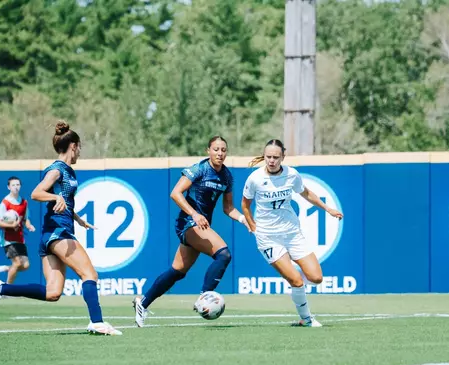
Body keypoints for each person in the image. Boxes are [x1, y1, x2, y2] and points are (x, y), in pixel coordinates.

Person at [0, 121, 121, 336]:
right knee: (89, 275)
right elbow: (37, 193)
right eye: (80, 148)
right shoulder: (58, 170)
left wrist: (77, 218)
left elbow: (62, 200)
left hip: (51, 234)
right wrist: (56, 196)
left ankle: (1, 288)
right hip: (58, 233)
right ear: (73, 146)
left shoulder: (66, 171)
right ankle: (97, 322)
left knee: (53, 292)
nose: (79, 153)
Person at [132, 136, 251, 327]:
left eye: (223, 150)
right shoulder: (200, 169)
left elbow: (228, 208)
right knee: (224, 254)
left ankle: (143, 303)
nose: (220, 153)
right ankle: (204, 297)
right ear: (208, 151)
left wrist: (244, 219)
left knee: (178, 271)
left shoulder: (226, 176)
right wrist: (195, 214)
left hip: (201, 225)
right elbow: (175, 193)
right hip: (188, 222)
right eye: (216, 149)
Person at [241, 139, 344, 327]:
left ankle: (300, 298)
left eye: (275, 157)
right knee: (296, 281)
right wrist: (253, 227)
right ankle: (306, 319)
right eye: (268, 157)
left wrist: (327, 209)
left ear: (283, 158)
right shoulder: (255, 179)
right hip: (268, 238)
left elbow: (306, 193)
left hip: (292, 233)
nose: (271, 161)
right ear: (264, 156)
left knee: (316, 278)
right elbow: (245, 205)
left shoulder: (291, 175)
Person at [0, 176, 36, 283]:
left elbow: (25, 219)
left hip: (19, 237)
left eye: (18, 185)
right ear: (8, 187)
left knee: (25, 266)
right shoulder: (5, 203)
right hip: (7, 239)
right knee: (17, 263)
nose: (16, 187)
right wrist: (12, 225)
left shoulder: (24, 202)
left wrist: (29, 225)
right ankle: (7, 289)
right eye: (13, 185)